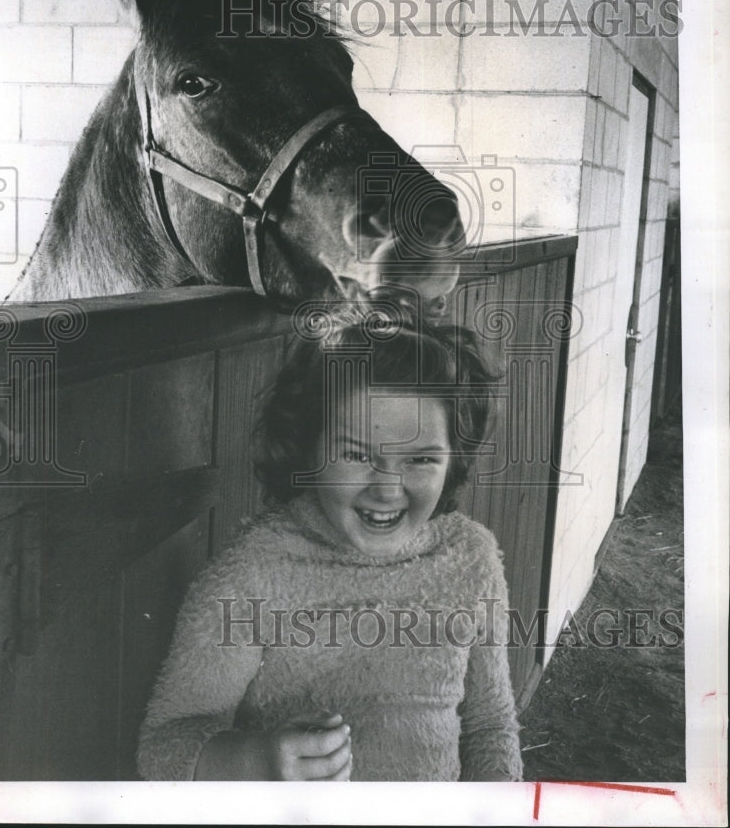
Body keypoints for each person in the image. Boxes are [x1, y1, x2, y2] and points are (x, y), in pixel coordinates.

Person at [137, 313, 523, 782]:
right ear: (308, 447)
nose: (387, 488)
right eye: (358, 455)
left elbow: (489, 726)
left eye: (420, 458)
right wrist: (255, 761)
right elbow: (161, 745)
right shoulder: (254, 572)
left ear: (454, 458)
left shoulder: (471, 558)